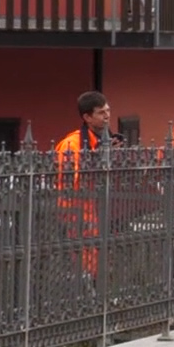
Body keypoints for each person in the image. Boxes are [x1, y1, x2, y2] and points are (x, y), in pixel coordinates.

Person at [54, 91, 116, 275]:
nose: (107, 116)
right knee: (85, 255)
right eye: (101, 112)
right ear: (87, 117)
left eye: (108, 110)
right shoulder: (72, 145)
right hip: (75, 209)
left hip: (98, 208)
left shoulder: (104, 141)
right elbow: (69, 182)